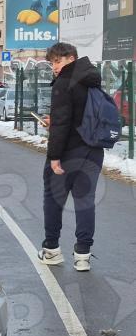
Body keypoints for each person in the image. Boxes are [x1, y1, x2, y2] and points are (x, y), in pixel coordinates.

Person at [38, 42, 104, 272]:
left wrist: (54, 157)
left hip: (68, 152)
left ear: (71, 58)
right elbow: (81, 116)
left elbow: (63, 124)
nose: (54, 67)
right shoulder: (92, 79)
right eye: (52, 63)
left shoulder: (64, 82)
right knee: (85, 202)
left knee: (53, 199)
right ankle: (83, 255)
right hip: (93, 151)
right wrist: (56, 121)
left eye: (58, 61)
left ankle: (51, 250)